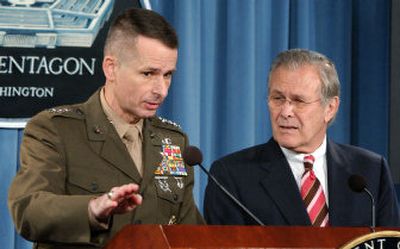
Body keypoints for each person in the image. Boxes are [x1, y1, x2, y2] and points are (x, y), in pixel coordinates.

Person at [8, 7, 204, 249]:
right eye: (148, 73)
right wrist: (92, 209)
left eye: (167, 75)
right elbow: (29, 210)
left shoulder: (174, 142)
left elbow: (189, 233)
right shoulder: (55, 130)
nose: (161, 90)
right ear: (111, 68)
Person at [204, 48, 400, 227]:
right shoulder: (231, 176)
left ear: (330, 108)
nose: (285, 111)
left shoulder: (370, 171)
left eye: (299, 101)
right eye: (278, 98)